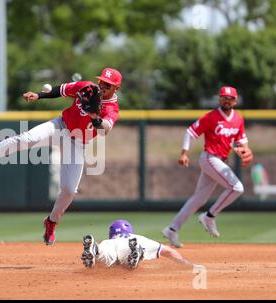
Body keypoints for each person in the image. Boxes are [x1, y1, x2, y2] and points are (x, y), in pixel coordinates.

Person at [0, 67, 122, 245]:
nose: (102, 86)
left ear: (116, 88)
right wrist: (39, 95)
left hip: (78, 143)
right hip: (60, 126)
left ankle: (51, 222)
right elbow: (60, 89)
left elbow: (105, 129)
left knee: (69, 190)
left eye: (108, 85)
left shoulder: (112, 108)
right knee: (26, 138)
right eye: (101, 82)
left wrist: (93, 115)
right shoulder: (87, 87)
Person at [162, 86, 253, 248]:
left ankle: (171, 229)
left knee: (199, 199)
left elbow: (241, 141)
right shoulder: (211, 117)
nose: (226, 100)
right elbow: (190, 132)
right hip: (210, 158)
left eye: (230, 98)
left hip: (220, 161)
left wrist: (244, 150)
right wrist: (184, 153)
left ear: (235, 100)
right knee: (237, 188)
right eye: (223, 97)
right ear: (220, 99)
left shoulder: (238, 119)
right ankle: (210, 216)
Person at [81, 219, 192, 270]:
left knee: (104, 258)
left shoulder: (108, 241)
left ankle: (94, 249)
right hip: (130, 244)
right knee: (127, 258)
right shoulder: (138, 238)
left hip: (108, 245)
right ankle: (133, 253)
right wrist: (184, 263)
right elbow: (168, 251)